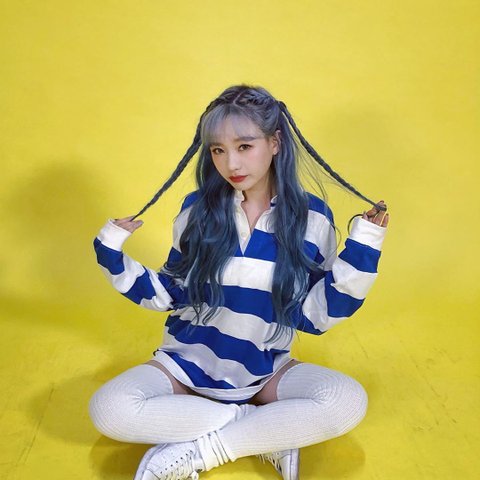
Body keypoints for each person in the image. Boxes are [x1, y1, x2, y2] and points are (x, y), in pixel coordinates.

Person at [88, 84, 389, 480]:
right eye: (218, 150)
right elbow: (170, 293)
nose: (231, 163)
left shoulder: (313, 219)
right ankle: (265, 431)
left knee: (347, 401)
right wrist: (110, 252)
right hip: (183, 369)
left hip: (265, 373)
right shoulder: (197, 210)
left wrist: (365, 245)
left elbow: (316, 316)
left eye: (245, 146)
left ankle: (203, 451)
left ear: (275, 142)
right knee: (108, 410)